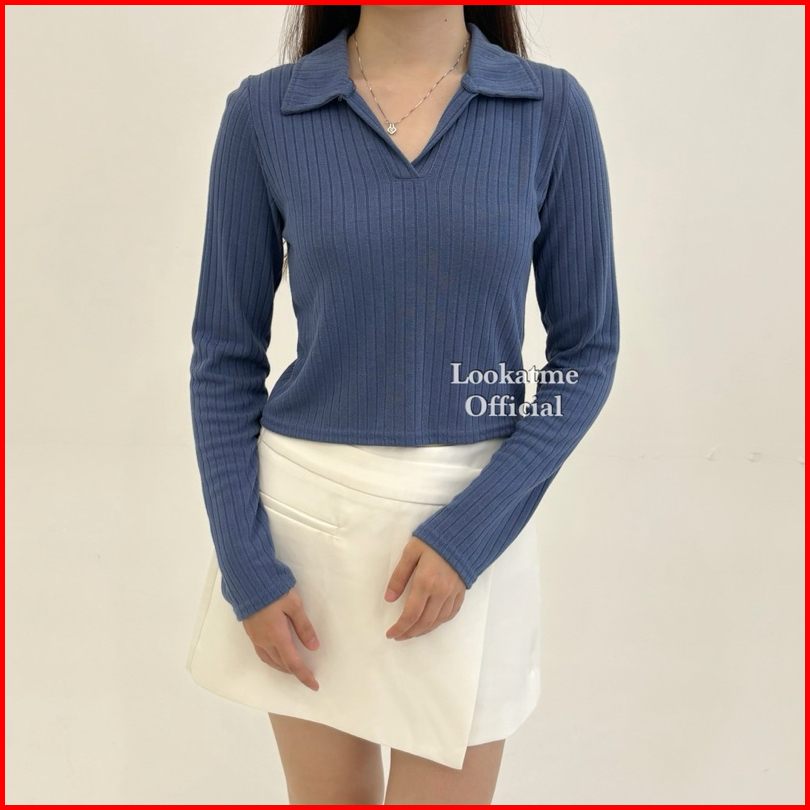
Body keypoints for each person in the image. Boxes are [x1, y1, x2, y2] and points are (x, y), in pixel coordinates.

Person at [186, 5, 619, 805]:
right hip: (302, 538)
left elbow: (586, 356)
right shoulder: (264, 113)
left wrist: (470, 534)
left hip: (474, 524)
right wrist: (246, 566)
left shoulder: (551, 109)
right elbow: (224, 357)